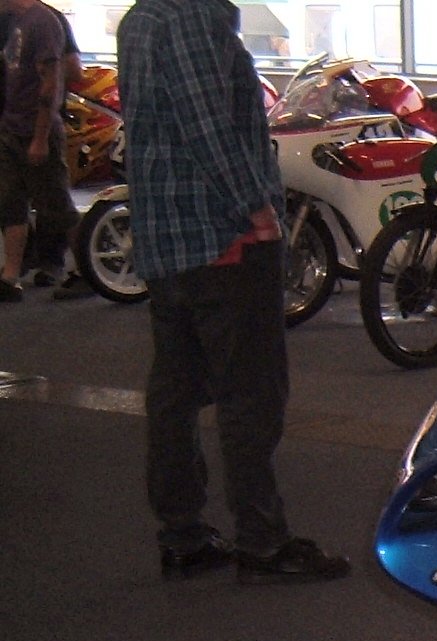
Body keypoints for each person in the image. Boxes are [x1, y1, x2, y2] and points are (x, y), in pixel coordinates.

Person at [119, 0, 347, 582]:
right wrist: (257, 208)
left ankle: (183, 534)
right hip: (221, 237)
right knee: (251, 393)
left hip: (166, 237)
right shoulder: (192, 17)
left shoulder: (145, 17)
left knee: (175, 392)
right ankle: (262, 541)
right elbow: (208, 128)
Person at [0, 0, 75, 302]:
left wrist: (40, 138)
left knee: (57, 206)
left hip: (37, 129)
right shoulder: (16, 22)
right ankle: (10, 277)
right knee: (10, 202)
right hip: (11, 127)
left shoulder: (43, 22)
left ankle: (87, 271)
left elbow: (51, 84)